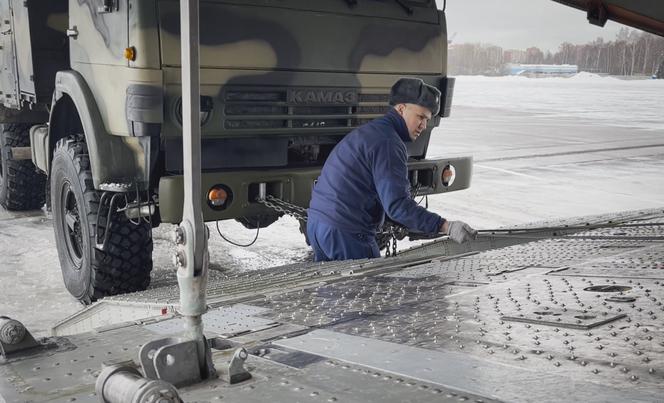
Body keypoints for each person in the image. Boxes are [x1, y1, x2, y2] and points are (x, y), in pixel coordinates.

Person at [306, 77, 477, 262]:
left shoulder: (372, 131)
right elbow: (398, 206)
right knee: (365, 289)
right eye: (420, 117)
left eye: (427, 120)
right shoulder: (389, 143)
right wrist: (446, 226)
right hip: (345, 233)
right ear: (401, 108)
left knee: (332, 289)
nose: (424, 125)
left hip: (318, 225)